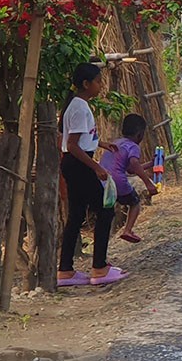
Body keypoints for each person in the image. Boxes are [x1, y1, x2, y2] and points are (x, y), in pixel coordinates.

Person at [58, 63, 128, 287]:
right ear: (86, 84)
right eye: (98, 81)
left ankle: (66, 270)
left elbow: (81, 140)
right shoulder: (79, 108)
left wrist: (102, 144)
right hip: (79, 163)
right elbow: (73, 145)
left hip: (73, 163)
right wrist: (96, 167)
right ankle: (99, 267)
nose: (101, 85)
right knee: (105, 210)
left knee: (77, 215)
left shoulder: (78, 105)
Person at [99, 113, 159, 244]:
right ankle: (128, 230)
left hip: (102, 181)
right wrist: (148, 183)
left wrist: (150, 164)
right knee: (134, 202)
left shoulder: (116, 143)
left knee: (106, 210)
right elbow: (134, 164)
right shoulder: (133, 146)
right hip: (117, 181)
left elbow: (131, 169)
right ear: (140, 135)